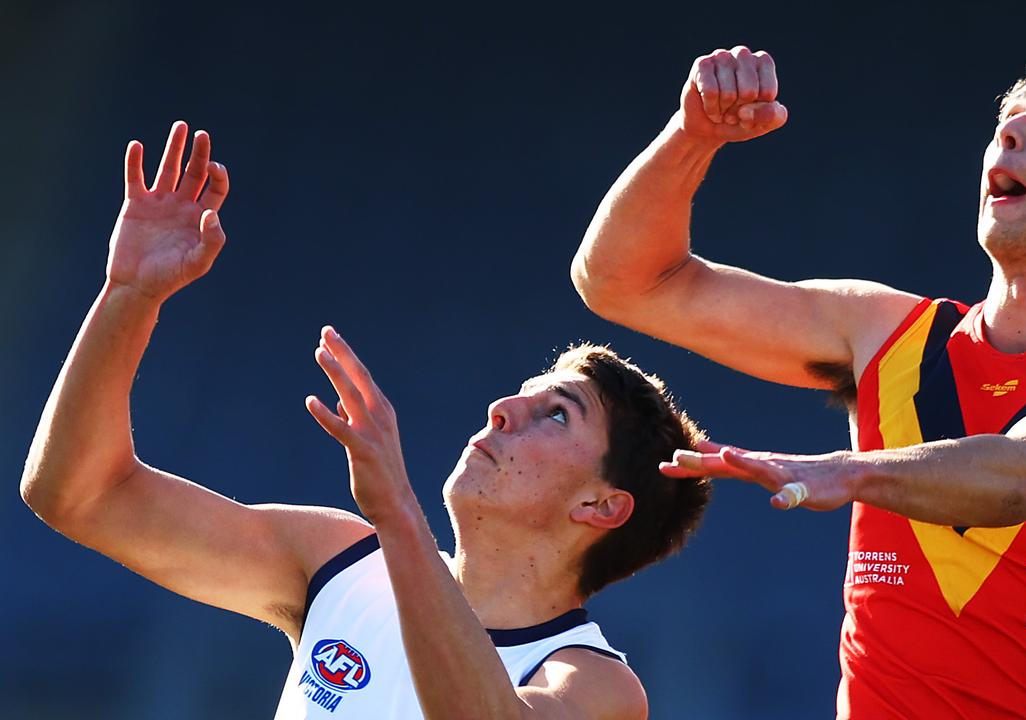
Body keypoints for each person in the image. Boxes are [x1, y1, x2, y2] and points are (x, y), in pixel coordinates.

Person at [572, 27, 1026, 719]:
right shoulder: (886, 334)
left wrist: (849, 472)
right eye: (1010, 112)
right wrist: (692, 136)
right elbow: (620, 282)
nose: (1013, 129)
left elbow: (1024, 477)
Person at [20, 121, 711, 719]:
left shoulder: (594, 684)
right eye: (523, 395)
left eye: (556, 415)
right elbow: (76, 495)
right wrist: (128, 295)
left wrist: (400, 512)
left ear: (600, 504)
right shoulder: (340, 563)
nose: (504, 410)